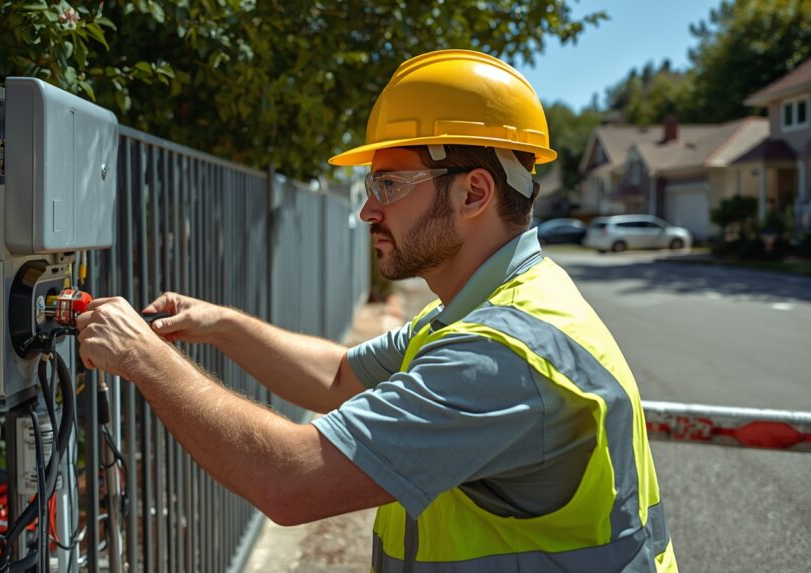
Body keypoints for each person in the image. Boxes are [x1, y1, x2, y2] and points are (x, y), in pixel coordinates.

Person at [76, 49, 677, 571]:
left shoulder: (498, 354)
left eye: (389, 185)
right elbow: (339, 376)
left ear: (473, 193)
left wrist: (145, 359)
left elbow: (288, 481)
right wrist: (222, 325)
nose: (368, 211)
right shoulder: (489, 308)